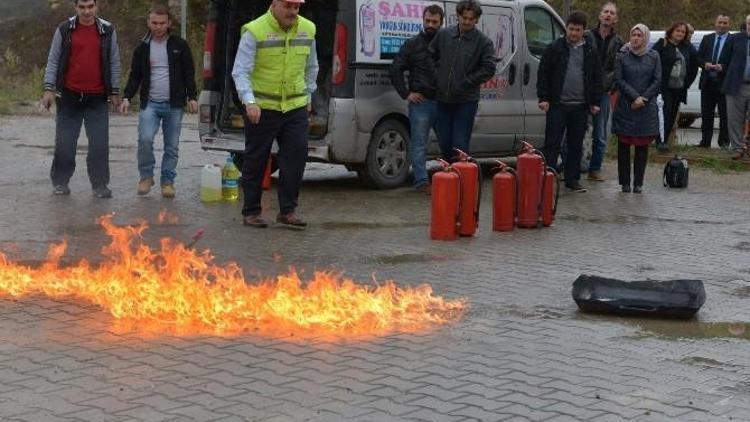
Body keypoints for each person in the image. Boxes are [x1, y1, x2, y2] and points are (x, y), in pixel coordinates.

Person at [231, 0, 319, 228]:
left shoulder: (308, 28)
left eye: (297, 8)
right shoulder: (255, 30)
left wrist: (308, 96)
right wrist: (249, 102)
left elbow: (312, 66)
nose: (293, 12)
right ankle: (251, 212)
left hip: (295, 106)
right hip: (263, 107)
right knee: (256, 160)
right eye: (288, 7)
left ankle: (287, 211)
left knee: (296, 158)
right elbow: (241, 71)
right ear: (274, 5)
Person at [41, 0, 121, 198]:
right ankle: (60, 182)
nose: (87, 11)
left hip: (97, 98)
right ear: (75, 7)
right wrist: (49, 89)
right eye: (82, 7)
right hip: (69, 96)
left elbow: (114, 61)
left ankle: (100, 185)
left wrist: (115, 91)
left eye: (90, 7)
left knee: (99, 144)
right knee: (65, 144)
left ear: (96, 6)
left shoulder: (108, 30)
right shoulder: (64, 29)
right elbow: (53, 59)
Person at [120, 5, 198, 198]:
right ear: (148, 23)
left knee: (171, 146)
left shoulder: (180, 45)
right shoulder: (142, 48)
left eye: (162, 23)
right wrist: (127, 97)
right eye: (154, 23)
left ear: (169, 23)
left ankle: (167, 182)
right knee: (145, 139)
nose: (158, 27)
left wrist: (192, 96)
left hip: (174, 104)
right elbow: (135, 76)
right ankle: (146, 177)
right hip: (151, 104)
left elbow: (189, 72)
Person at [537, 11, 602, 193]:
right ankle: (548, 175)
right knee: (552, 142)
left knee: (575, 144)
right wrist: (543, 98)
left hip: (580, 106)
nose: (573, 33)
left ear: (584, 31)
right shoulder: (554, 48)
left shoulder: (590, 51)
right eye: (570, 29)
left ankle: (572, 179)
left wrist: (595, 101)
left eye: (577, 30)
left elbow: (596, 77)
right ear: (566, 28)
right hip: (557, 104)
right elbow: (543, 74)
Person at [430, 0, 495, 161]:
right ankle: (450, 175)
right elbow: (429, 57)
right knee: (444, 143)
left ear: (476, 20)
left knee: (459, 145)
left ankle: (460, 179)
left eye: (470, 19)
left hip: (466, 101)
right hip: (442, 99)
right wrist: (437, 77)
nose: (466, 21)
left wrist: (466, 81)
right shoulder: (444, 35)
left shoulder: (483, 42)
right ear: (457, 16)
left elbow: (488, 68)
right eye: (463, 17)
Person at [390, 5, 444, 193]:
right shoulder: (412, 44)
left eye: (434, 22)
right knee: (419, 143)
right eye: (427, 21)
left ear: (441, 22)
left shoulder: (447, 43)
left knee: (448, 143)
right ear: (422, 20)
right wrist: (406, 94)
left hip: (445, 101)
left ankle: (449, 179)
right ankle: (421, 182)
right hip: (422, 102)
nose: (430, 25)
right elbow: (395, 68)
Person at [612, 24, 661, 193]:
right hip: (626, 106)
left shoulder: (654, 56)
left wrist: (643, 99)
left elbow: (657, 80)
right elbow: (619, 79)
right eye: (633, 34)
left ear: (645, 37)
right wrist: (634, 97)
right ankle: (625, 182)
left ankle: (638, 183)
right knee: (624, 146)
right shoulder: (622, 56)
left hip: (645, 108)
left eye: (639, 35)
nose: (635, 38)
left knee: (642, 147)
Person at [651, 22, 706, 152]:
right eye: (678, 31)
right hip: (663, 87)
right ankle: (660, 141)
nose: (680, 33)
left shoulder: (687, 46)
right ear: (671, 31)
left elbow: (696, 61)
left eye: (683, 32)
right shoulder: (661, 44)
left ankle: (665, 139)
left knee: (672, 115)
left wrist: (687, 82)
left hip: (679, 87)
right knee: (664, 113)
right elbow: (651, 61)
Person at [586, 2, 622, 182]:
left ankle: (595, 169)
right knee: (574, 133)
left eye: (612, 13)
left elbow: (619, 67)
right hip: (583, 91)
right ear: (600, 15)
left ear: (615, 18)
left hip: (603, 92)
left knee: (600, 135)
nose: (608, 15)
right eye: (605, 12)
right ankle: (570, 167)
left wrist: (613, 87)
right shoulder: (587, 36)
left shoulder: (618, 42)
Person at [698, 15, 731, 149]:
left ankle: (723, 142)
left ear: (729, 25)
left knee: (724, 115)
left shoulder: (733, 40)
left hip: (724, 84)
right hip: (707, 83)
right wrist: (704, 64)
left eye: (725, 23)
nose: (722, 25)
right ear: (715, 23)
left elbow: (735, 61)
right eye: (719, 22)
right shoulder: (707, 39)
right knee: (706, 114)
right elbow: (698, 57)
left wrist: (723, 67)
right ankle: (705, 142)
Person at [720, 14, 750, 160]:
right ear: (746, 25)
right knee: (734, 119)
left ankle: (748, 146)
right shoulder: (735, 38)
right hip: (736, 85)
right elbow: (724, 60)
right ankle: (737, 148)